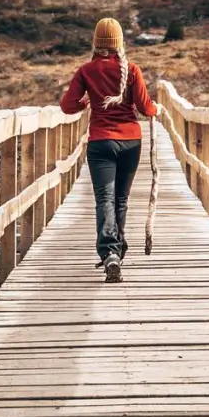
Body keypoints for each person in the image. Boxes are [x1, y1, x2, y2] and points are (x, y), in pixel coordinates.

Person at [59, 16, 157, 282]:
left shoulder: (86, 71)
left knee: (105, 199)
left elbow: (67, 106)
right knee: (121, 199)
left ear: (96, 42)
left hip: (101, 142)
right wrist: (156, 109)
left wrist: (85, 103)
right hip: (130, 142)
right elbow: (146, 108)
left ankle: (110, 252)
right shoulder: (132, 70)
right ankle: (118, 250)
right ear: (119, 43)